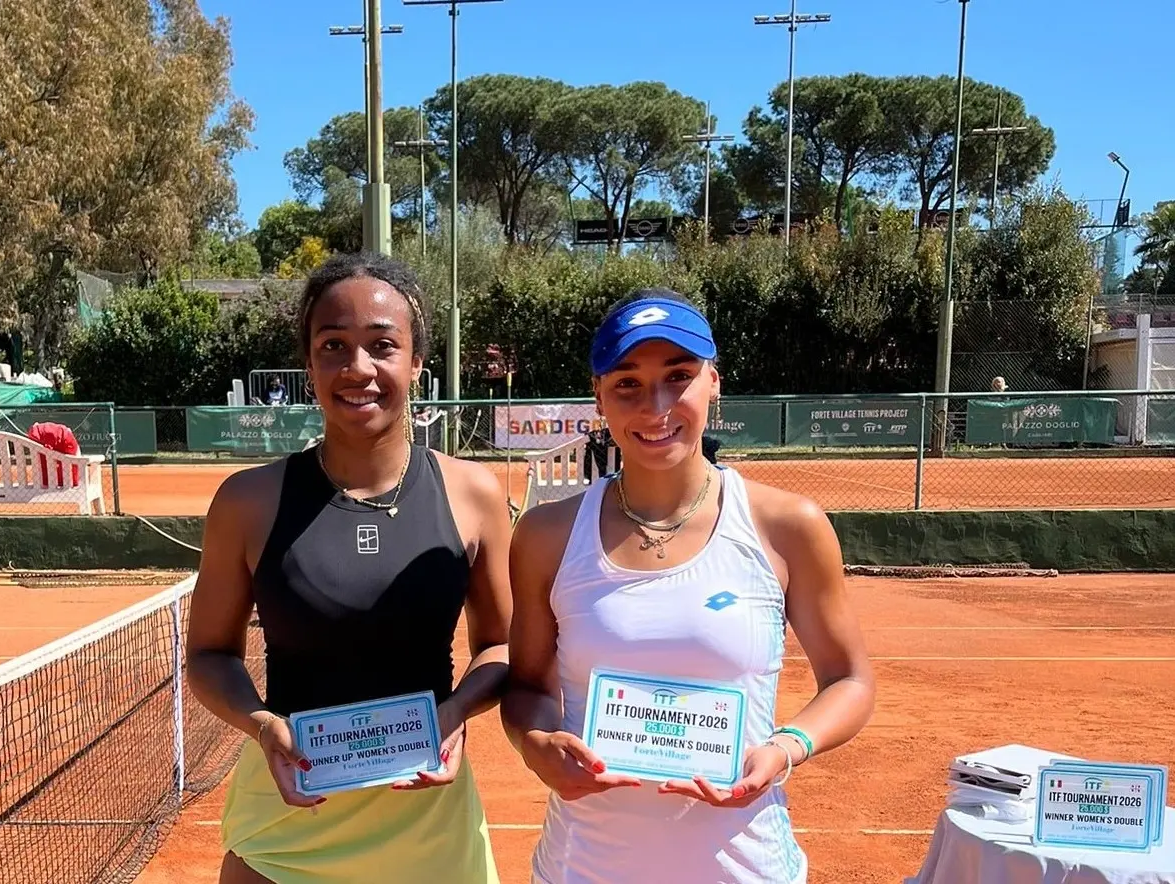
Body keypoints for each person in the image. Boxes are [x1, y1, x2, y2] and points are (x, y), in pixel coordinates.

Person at [500, 288, 875, 884]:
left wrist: (786, 748)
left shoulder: (789, 526)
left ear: (714, 382)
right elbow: (525, 688)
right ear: (598, 396)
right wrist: (538, 743)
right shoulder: (546, 534)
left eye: (679, 376)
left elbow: (849, 681)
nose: (656, 406)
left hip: (747, 869)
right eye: (627, 383)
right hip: (584, 867)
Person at [185, 252, 512, 884]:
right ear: (309, 366)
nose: (358, 367)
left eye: (382, 345)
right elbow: (208, 655)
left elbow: (501, 645)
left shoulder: (474, 494)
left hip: (429, 823)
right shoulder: (247, 501)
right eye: (333, 345)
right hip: (286, 817)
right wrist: (262, 726)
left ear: (417, 363)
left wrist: (453, 716)